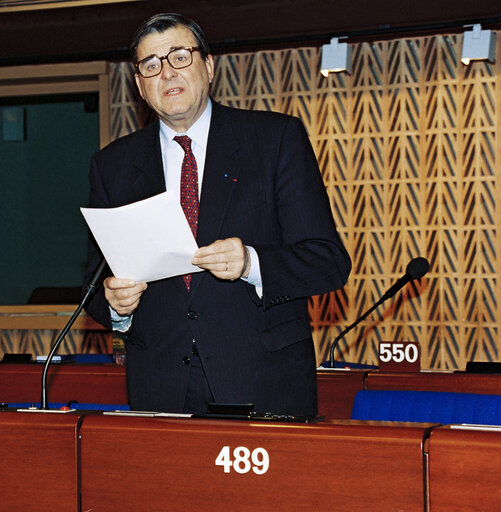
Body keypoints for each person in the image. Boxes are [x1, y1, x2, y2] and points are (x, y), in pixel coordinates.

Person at [83, 12, 351, 415]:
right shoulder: (113, 166)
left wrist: (251, 262)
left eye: (179, 57)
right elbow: (94, 285)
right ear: (139, 85)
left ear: (208, 67)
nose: (166, 73)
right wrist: (117, 307)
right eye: (151, 65)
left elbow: (328, 262)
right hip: (160, 390)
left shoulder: (275, 140)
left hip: (263, 383)